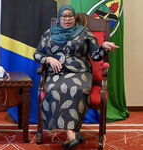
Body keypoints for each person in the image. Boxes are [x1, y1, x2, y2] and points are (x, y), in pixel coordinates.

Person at [33, 5, 118, 150]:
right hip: (57, 73)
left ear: (74, 18)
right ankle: (72, 135)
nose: (67, 19)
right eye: (64, 16)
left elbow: (96, 56)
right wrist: (49, 60)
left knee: (77, 88)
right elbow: (37, 54)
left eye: (70, 16)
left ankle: (71, 135)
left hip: (80, 72)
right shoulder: (49, 33)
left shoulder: (84, 33)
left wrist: (103, 46)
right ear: (59, 18)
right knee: (56, 89)